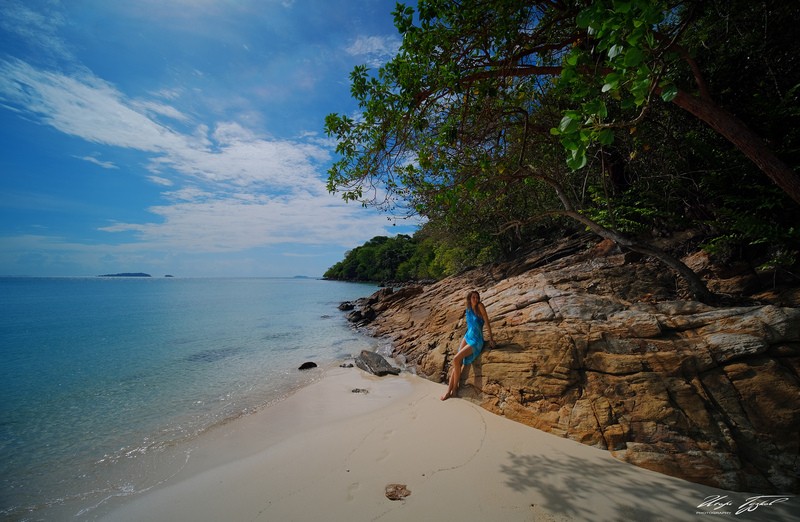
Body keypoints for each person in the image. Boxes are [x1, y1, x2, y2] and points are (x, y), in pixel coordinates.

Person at [440, 290, 495, 401]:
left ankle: (455, 389)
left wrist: (491, 338)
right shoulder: (468, 308)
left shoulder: (480, 306)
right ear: (470, 299)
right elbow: (469, 325)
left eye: (477, 297)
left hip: (476, 340)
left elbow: (487, 322)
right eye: (473, 297)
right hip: (467, 336)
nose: (476, 299)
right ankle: (448, 392)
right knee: (457, 362)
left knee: (456, 359)